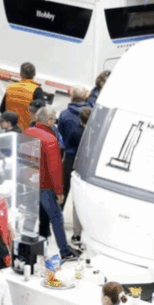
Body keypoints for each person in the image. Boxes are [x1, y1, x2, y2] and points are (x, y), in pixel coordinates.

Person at [24, 108, 78, 260]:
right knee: (56, 218)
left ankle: (23, 246)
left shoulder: (28, 132)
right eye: (54, 120)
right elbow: (55, 168)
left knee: (30, 215)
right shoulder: (50, 140)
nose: (55, 123)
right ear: (48, 121)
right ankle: (64, 251)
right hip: (45, 185)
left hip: (30, 182)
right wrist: (59, 191)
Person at [68, 106, 92, 248]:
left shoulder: (75, 132)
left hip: (78, 170)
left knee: (77, 203)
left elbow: (68, 148)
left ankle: (77, 235)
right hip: (90, 173)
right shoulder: (95, 134)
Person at [0, 62, 45, 131]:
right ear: (34, 74)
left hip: (11, 129)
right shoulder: (37, 90)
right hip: (27, 131)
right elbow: (41, 114)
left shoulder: (10, 88)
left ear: (20, 74)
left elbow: (2, 109)